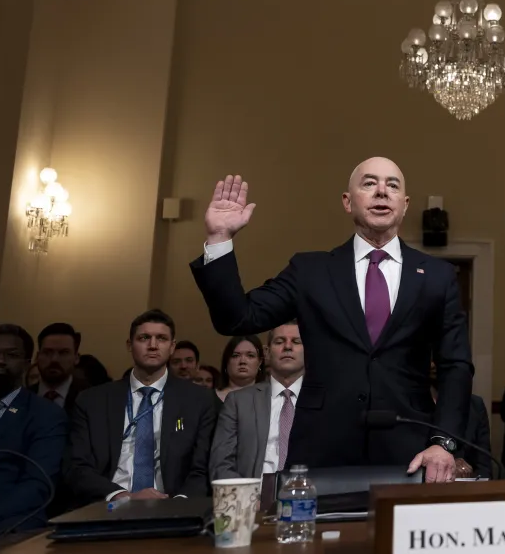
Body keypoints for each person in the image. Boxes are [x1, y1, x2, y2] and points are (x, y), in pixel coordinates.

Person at [190, 160, 473, 481]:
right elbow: (237, 318)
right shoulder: (310, 271)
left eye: (393, 185)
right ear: (347, 201)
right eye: (369, 183)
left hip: (410, 451)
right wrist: (219, 239)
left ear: (404, 205)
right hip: (322, 451)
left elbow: (456, 365)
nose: (382, 190)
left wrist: (443, 442)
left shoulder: (437, 276)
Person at [66, 310, 217, 504]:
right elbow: (76, 466)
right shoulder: (92, 401)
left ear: (172, 347)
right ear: (129, 345)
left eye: (161, 339)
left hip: (172, 507)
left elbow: (202, 468)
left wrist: (178, 505)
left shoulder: (199, 400)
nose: (153, 345)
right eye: (144, 338)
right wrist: (123, 497)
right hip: (109, 507)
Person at [0, 324, 69, 534]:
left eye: (11, 355)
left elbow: (37, 486)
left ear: (27, 363)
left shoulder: (45, 415)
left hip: (8, 523)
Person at [210, 323, 304, 480]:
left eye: (296, 342)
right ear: (266, 353)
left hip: (307, 496)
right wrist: (249, 497)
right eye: (280, 342)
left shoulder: (324, 401)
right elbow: (221, 464)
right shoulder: (238, 402)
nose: (287, 346)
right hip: (251, 497)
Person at [35, 323, 89, 414]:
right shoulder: (21, 398)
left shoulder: (90, 398)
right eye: (47, 352)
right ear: (37, 357)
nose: (54, 359)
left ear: (76, 358)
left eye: (64, 353)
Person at [217, 335, 263, 402]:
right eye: (235, 356)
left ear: (260, 362)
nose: (242, 361)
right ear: (226, 361)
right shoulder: (209, 399)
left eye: (250, 355)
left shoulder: (271, 399)